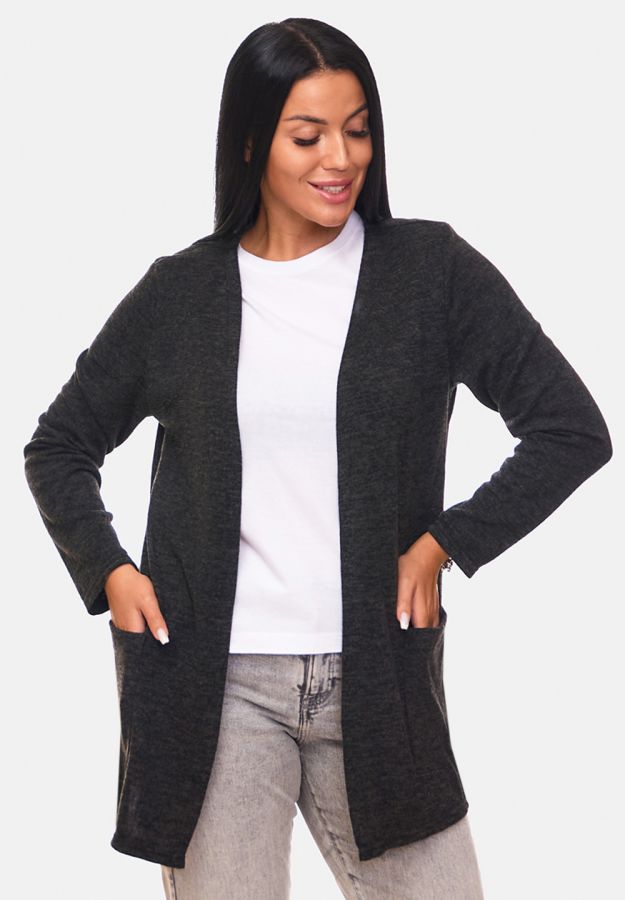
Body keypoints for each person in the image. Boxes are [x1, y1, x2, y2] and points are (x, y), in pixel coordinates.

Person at [23, 17, 612, 900]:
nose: (341, 158)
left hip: (377, 678)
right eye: (308, 136)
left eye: (358, 129)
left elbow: (570, 428)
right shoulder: (180, 294)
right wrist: (110, 571)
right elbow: (59, 445)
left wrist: (443, 544)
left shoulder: (430, 272)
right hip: (212, 686)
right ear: (251, 142)